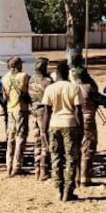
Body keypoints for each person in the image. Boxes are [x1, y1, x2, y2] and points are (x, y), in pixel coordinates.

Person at [42, 61, 83, 201]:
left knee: (56, 158)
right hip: (70, 124)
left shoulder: (49, 89)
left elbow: (46, 111)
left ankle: (59, 189)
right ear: (67, 73)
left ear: (57, 74)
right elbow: (78, 110)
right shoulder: (74, 88)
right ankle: (68, 190)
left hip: (54, 124)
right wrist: (81, 127)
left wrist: (44, 129)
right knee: (71, 158)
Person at [2, 57, 30, 175]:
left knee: (10, 138)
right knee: (21, 137)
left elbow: (4, 97)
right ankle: (17, 165)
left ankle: (8, 165)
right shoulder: (24, 76)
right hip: (21, 109)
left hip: (10, 110)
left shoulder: (4, 78)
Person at [29, 57, 54, 180]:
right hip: (44, 114)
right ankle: (44, 169)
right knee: (45, 141)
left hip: (34, 113)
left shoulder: (31, 80)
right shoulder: (48, 82)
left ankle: (37, 169)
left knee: (37, 141)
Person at [77, 66, 100, 185]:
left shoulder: (72, 87)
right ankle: (85, 177)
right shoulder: (89, 87)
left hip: (75, 119)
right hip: (88, 118)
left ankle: (76, 176)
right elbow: (98, 100)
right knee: (88, 147)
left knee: (76, 147)